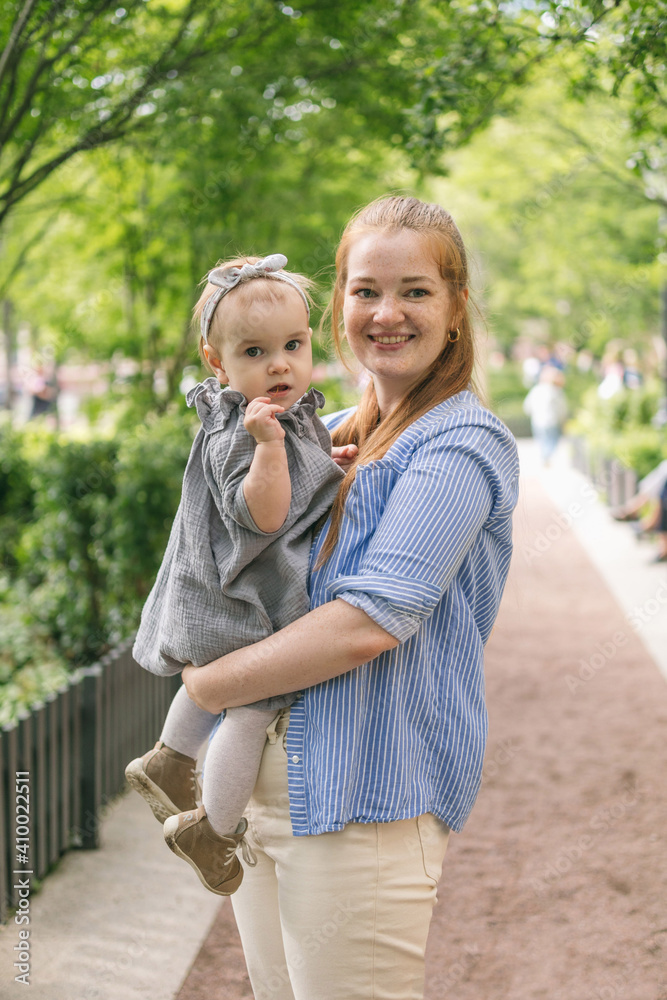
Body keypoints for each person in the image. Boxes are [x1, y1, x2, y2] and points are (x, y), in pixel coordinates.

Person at [181, 196, 520, 1000]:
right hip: (264, 791)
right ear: (338, 303)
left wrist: (205, 685)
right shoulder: (326, 430)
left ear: (455, 306)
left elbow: (371, 622)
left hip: (366, 797)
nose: (386, 313)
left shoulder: (460, 445)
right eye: (365, 290)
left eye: (415, 291)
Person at [125, 254, 344, 894]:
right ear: (217, 362)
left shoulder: (276, 418)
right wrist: (275, 452)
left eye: (293, 345)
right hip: (238, 599)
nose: (280, 364)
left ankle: (168, 760)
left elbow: (297, 485)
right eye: (255, 351)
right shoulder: (243, 432)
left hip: (234, 590)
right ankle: (211, 830)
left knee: (233, 696)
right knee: (253, 706)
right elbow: (265, 514)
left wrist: (319, 462)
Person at [523, 364, 568, 465]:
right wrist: (563, 419)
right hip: (551, 421)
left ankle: (545, 457)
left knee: (542, 440)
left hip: (537, 420)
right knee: (552, 440)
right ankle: (547, 457)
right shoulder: (556, 391)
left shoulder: (536, 389)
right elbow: (562, 409)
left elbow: (527, 406)